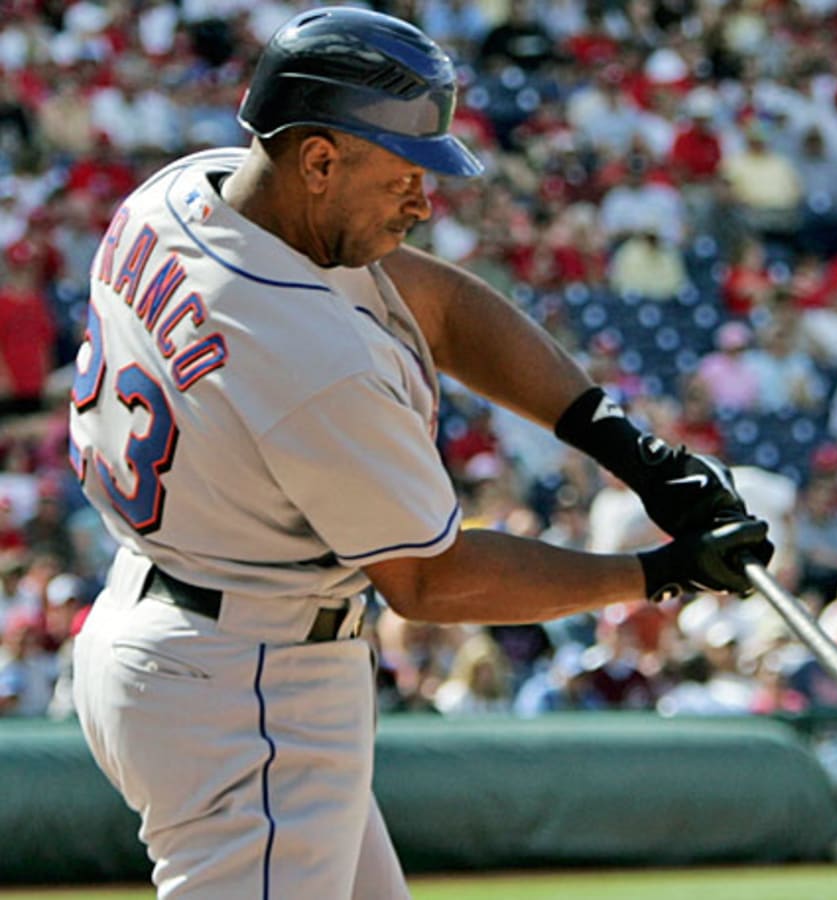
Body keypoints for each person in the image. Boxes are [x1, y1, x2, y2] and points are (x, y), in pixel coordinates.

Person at [67, 10, 773, 900]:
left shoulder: (183, 195)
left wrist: (626, 447)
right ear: (320, 160)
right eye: (404, 173)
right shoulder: (310, 359)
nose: (424, 200)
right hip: (243, 682)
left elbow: (434, 306)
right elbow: (429, 580)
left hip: (173, 629)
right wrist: (656, 575)